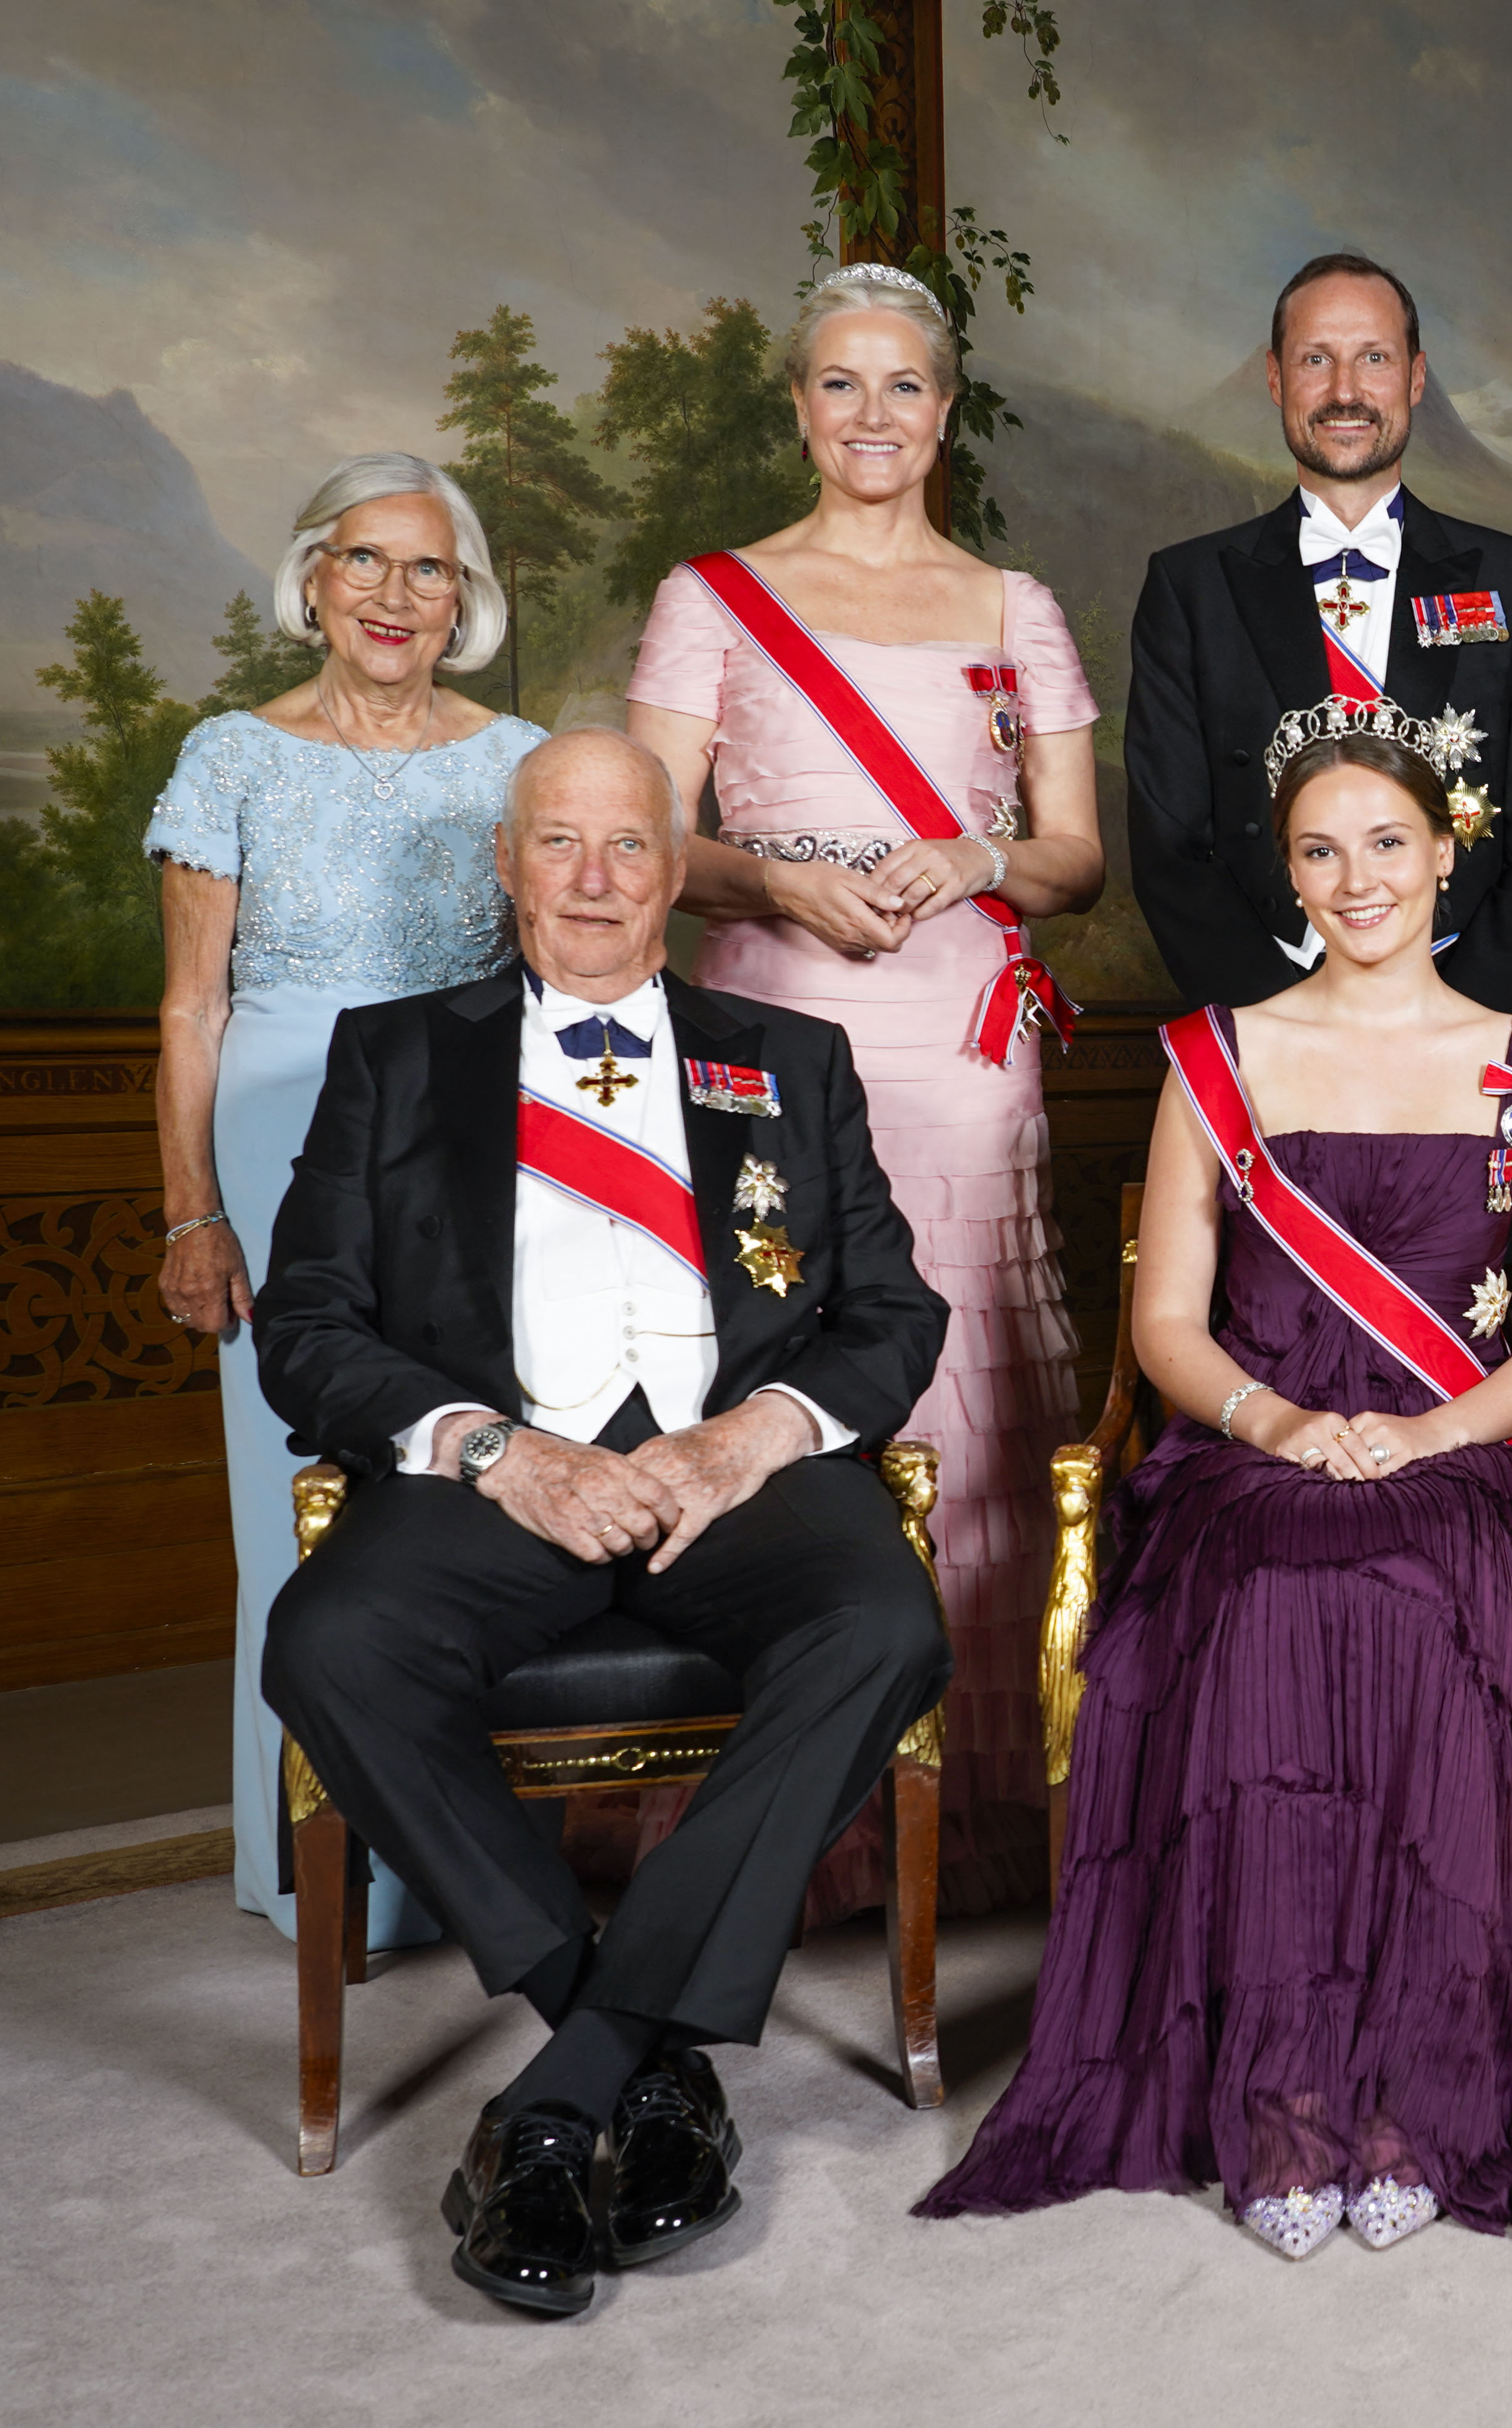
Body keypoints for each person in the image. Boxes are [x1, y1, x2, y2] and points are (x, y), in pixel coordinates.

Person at [917, 705, 1512, 2257]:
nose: (1357, 879)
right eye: (1319, 850)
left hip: (1465, 1451)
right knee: (1278, 1586)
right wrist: (1280, 1421)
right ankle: (1287, 2095)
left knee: (1422, 1590)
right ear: (1286, 873)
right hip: (1255, 1453)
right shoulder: (1215, 1057)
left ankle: (1415, 2091)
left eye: (1386, 842)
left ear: (1446, 851)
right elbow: (1165, 1323)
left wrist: (1432, 1435)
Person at [256, 729, 951, 2317]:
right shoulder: (393, 1055)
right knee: (331, 1640)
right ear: (504, 863)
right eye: (557, 842)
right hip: (508, 1474)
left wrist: (749, 1440)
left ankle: (564, 2086)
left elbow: (891, 1313)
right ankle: (634, 2053)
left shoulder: (790, 1056)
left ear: (675, 870)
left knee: (884, 1622)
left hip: (736, 1474)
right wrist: (494, 1450)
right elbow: (305, 1322)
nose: (592, 877)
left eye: (628, 844)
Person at [624, 263, 1102, 1918]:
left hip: (961, 1035)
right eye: (842, 382)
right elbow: (643, 840)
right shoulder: (713, 596)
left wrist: (976, 854)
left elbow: (1076, 857)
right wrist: (773, 879)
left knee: (969, 1376)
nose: (874, 413)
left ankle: (977, 1804)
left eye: (905, 384)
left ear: (946, 410)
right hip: (774, 1019)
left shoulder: (1016, 604)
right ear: (800, 405)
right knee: (779, 1349)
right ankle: (789, 1813)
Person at [147, 451, 545, 1945]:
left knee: (461, 1483)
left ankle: (463, 1868)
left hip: (462, 1148)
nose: (393, 592)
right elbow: (190, 1009)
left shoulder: (521, 758)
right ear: (312, 578)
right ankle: (315, 1873)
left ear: (465, 598)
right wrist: (192, 1212)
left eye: (427, 566)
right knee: (296, 1499)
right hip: (270, 1146)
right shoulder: (231, 759)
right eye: (363, 558)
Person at [1127, 251, 1512, 1015]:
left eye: (1374, 358)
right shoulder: (1189, 589)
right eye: (1316, 359)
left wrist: (1456, 1024)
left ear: (1415, 378)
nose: (1345, 391)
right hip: (1265, 1015)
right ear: (1275, 378)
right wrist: (1283, 1025)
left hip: (1461, 1017)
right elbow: (1170, 850)